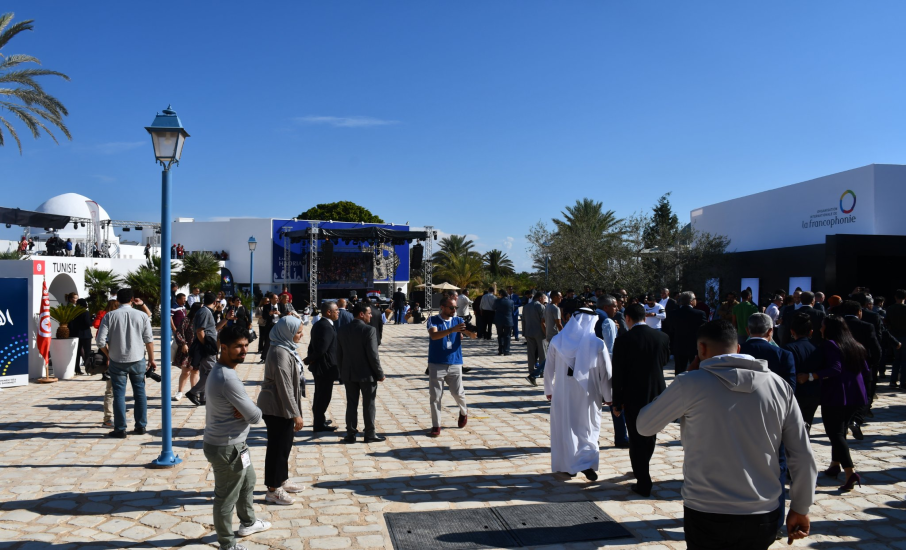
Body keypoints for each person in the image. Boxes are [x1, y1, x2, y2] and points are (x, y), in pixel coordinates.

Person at [637, 320, 816, 549]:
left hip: (706, 509)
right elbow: (802, 454)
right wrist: (801, 508)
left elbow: (644, 426)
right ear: (738, 349)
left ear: (701, 349)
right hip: (762, 509)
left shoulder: (690, 384)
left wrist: (683, 381)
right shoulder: (779, 386)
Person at [203, 325, 271, 549]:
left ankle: (248, 522)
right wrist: (249, 408)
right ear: (223, 348)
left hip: (236, 445)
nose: (244, 350)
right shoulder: (227, 378)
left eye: (245, 345)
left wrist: (244, 407)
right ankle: (227, 543)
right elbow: (255, 417)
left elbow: (247, 412)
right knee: (226, 498)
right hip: (227, 447)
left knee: (248, 481)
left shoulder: (224, 371)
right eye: (238, 347)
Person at [739, 313, 796, 529]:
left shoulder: (738, 352)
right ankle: (775, 520)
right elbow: (790, 392)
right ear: (770, 331)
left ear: (747, 330)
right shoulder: (783, 355)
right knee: (777, 468)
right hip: (773, 421)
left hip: (739, 419)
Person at [544, 308, 612, 481]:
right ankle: (586, 463)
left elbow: (548, 369)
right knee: (587, 427)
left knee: (566, 427)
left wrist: (549, 390)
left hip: (563, 393)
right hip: (589, 393)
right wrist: (608, 396)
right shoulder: (597, 343)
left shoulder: (557, 340)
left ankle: (570, 465)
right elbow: (606, 374)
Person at [805, 315, 871, 492]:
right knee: (841, 432)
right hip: (856, 394)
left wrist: (811, 376)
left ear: (830, 329)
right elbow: (865, 370)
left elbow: (835, 369)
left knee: (835, 433)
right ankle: (835, 464)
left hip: (836, 395)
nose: (820, 329)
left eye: (823, 326)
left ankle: (850, 472)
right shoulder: (856, 345)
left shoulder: (831, 345)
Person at [611, 303, 671, 497]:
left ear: (627, 318)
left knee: (636, 437)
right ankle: (641, 468)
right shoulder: (662, 337)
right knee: (650, 434)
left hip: (633, 394)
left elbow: (618, 374)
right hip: (656, 393)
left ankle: (643, 480)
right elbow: (663, 362)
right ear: (645, 317)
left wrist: (617, 402)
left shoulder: (623, 340)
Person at [257, 316, 306, 505]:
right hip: (277, 407)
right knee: (277, 447)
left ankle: (282, 479)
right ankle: (272, 489)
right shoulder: (279, 352)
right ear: (287, 333)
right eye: (298, 332)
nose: (301, 336)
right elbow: (284, 386)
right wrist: (295, 414)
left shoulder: (286, 348)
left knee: (285, 445)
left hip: (283, 405)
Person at [95, 288, 155, 438]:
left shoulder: (110, 316)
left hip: (117, 360)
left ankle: (120, 428)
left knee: (119, 395)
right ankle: (141, 425)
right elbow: (149, 339)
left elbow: (100, 341)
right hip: (137, 358)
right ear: (132, 299)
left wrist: (109, 354)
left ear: (117, 300)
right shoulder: (142, 315)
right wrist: (152, 359)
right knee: (140, 393)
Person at [426, 295, 477, 437]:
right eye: (451, 307)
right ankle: (436, 425)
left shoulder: (459, 320)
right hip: (436, 362)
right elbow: (434, 336)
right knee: (435, 396)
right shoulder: (433, 320)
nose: (454, 310)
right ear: (442, 307)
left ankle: (463, 411)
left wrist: (468, 332)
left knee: (458, 393)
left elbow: (473, 336)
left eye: (456, 307)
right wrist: (452, 331)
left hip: (455, 362)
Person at [337, 302, 385, 443]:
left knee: (351, 404)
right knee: (369, 404)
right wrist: (380, 373)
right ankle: (369, 433)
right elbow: (373, 355)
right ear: (361, 314)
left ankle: (350, 434)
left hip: (349, 374)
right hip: (367, 375)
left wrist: (342, 371)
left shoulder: (342, 329)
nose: (371, 316)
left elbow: (338, 354)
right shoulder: (369, 330)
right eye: (369, 313)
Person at [186, 292, 233, 406]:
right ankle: (193, 392)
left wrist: (226, 319)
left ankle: (203, 397)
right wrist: (206, 345)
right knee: (212, 371)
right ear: (215, 302)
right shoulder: (205, 312)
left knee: (205, 372)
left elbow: (214, 328)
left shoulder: (207, 312)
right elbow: (199, 331)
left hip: (207, 344)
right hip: (206, 346)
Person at [306, 302, 340, 432]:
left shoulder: (319, 324)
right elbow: (321, 349)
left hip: (320, 366)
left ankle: (319, 419)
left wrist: (310, 358)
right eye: (336, 310)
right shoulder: (326, 326)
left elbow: (312, 345)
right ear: (328, 312)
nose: (338, 312)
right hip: (325, 368)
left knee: (320, 395)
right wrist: (309, 359)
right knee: (323, 396)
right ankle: (319, 424)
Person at [784, 313, 820, 433]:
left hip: (795, 393)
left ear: (792, 331)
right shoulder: (817, 348)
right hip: (814, 392)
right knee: (807, 422)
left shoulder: (788, 349)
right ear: (811, 332)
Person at [664, 291, 707, 375]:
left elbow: (671, 329)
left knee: (680, 370)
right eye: (695, 299)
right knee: (697, 371)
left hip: (679, 344)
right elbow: (704, 330)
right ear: (691, 301)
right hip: (695, 346)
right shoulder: (700, 314)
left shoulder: (673, 313)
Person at [174, 303, 202, 401]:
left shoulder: (201, 321)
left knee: (195, 371)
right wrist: (183, 344)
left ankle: (193, 392)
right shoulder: (186, 320)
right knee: (185, 371)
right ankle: (180, 391)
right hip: (187, 349)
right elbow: (179, 332)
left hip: (198, 349)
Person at [523, 291, 547, 383]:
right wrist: (546, 333)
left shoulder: (526, 307)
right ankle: (541, 372)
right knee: (542, 353)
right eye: (544, 299)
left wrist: (524, 332)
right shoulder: (540, 306)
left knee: (531, 353)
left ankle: (531, 370)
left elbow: (523, 320)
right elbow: (543, 321)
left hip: (529, 332)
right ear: (540, 298)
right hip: (540, 333)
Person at [886, 289, 906, 388]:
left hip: (894, 336)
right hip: (905, 336)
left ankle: (893, 381)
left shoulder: (890, 309)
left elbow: (887, 323)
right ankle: (904, 382)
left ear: (895, 297)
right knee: (905, 360)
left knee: (896, 359)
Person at [70, 298, 93, 376]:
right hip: (85, 334)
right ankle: (88, 369)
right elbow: (88, 323)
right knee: (87, 352)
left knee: (77, 353)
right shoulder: (85, 312)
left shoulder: (74, 312)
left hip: (76, 334)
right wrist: (92, 320)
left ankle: (77, 369)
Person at [493, 290, 514, 356]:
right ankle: (506, 350)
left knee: (500, 335)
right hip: (508, 320)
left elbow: (493, 308)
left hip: (499, 320)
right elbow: (512, 310)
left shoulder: (497, 301)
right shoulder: (511, 302)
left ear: (501, 294)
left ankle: (500, 350)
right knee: (507, 336)